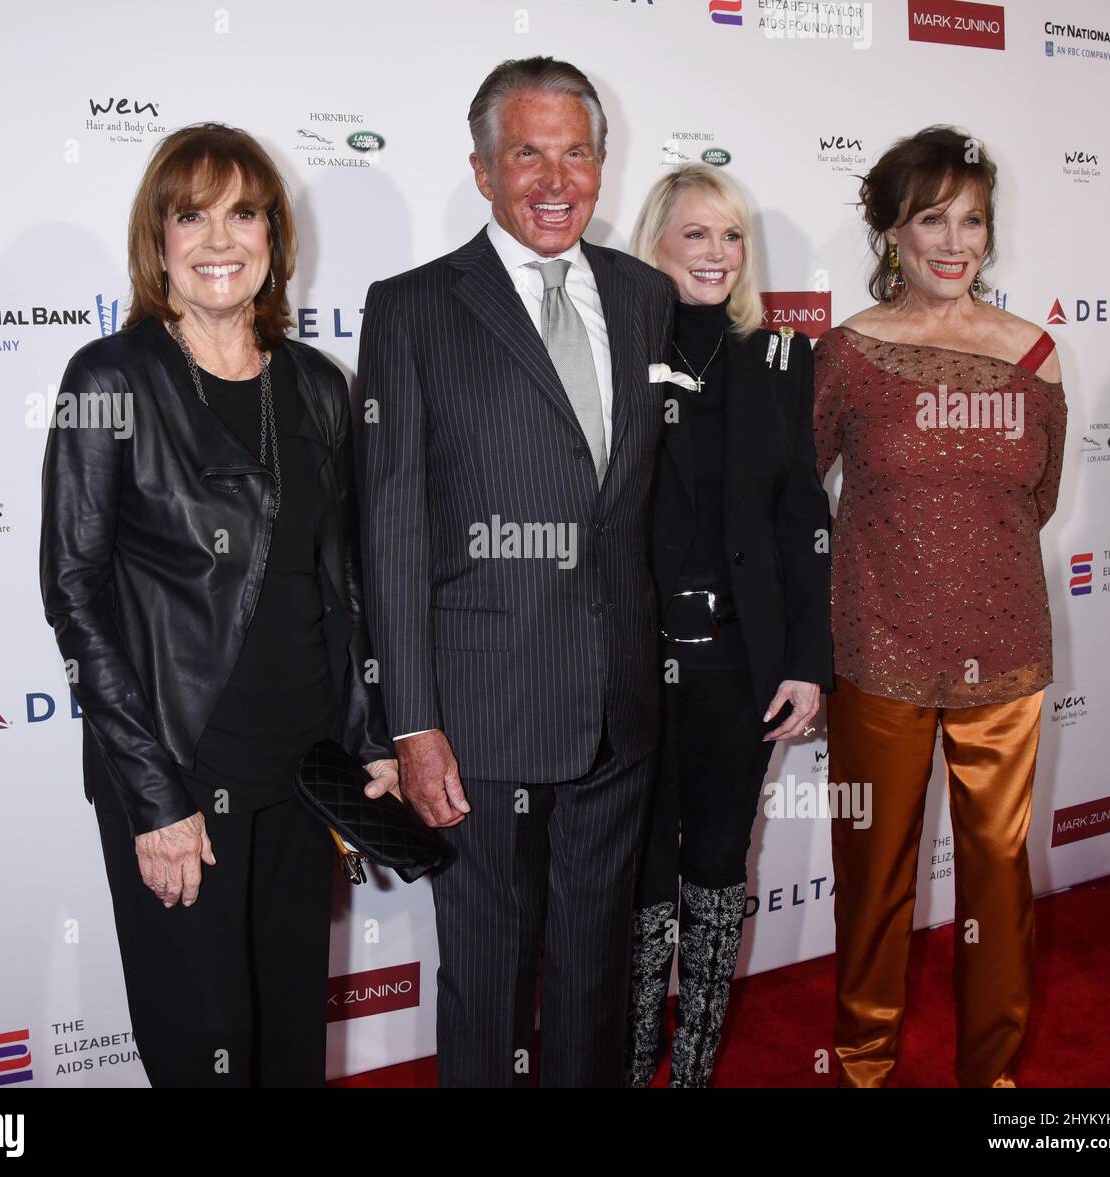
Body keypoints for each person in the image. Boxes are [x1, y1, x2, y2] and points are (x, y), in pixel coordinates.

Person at [39, 122, 396, 1088]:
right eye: (189, 215)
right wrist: (154, 797)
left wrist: (367, 744)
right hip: (183, 774)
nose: (218, 239)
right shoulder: (107, 379)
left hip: (298, 775)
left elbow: (344, 585)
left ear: (275, 236)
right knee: (203, 1054)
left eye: (243, 213)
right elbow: (74, 596)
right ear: (157, 241)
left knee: (288, 1047)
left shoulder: (319, 386)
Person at [356, 56, 674, 1087]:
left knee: (594, 973)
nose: (554, 177)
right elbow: (392, 524)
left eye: (575, 151)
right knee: (488, 980)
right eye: (526, 152)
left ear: (602, 165)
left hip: (618, 701)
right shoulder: (411, 308)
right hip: (480, 708)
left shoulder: (643, 297)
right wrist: (411, 721)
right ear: (483, 170)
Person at [813, 126, 1066, 1087]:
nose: (954, 242)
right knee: (872, 879)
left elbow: (1032, 499)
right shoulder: (845, 354)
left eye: (972, 220)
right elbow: (804, 495)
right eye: (931, 219)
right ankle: (864, 1067)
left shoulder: (1035, 355)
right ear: (891, 232)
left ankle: (991, 1082)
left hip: (1004, 657)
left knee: (998, 883)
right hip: (875, 651)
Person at [623, 165, 832, 1087]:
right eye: (697, 234)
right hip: (626, 665)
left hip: (735, 665)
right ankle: (629, 1061)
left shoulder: (781, 361)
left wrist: (806, 660)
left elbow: (801, 522)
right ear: (656, 246)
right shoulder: (612, 350)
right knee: (636, 876)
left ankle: (695, 1067)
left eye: (732, 236)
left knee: (716, 862)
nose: (717, 254)